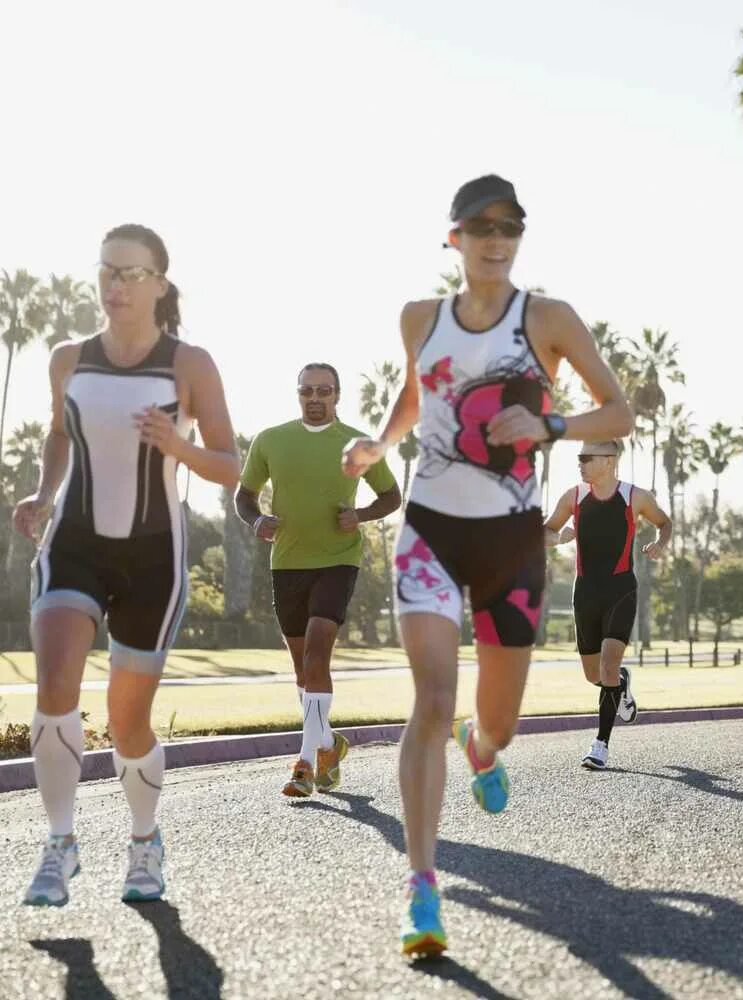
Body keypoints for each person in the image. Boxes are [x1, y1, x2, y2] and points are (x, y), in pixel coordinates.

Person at [342, 174, 631, 958]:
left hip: (512, 539)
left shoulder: (548, 318)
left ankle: (482, 745)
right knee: (431, 697)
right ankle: (423, 890)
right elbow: (414, 395)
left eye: (511, 226)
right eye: (481, 226)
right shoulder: (418, 318)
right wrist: (380, 443)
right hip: (430, 530)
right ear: (454, 238)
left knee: (494, 724)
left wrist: (549, 421)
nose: (497, 238)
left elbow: (620, 411)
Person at [17, 224, 239, 905]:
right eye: (107, 270)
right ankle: (61, 842)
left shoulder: (189, 364)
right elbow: (60, 434)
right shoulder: (67, 359)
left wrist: (178, 442)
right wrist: (44, 493)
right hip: (75, 543)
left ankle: (145, 840)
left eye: (132, 273)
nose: (116, 284)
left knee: (127, 717)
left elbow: (230, 467)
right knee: (54, 679)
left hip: (153, 558)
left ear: (159, 285)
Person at [236, 362, 401, 799]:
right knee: (300, 667)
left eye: (323, 391)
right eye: (306, 391)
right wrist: (256, 522)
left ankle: (305, 763)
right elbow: (244, 496)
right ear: (298, 394)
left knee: (316, 657)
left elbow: (391, 495)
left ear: (337, 395)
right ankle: (328, 744)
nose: (314, 398)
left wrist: (360, 515)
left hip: (338, 560)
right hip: (287, 562)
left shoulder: (356, 444)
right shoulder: (270, 440)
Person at [543, 439, 671, 770]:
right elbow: (546, 530)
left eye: (587, 457)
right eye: (579, 457)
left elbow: (664, 522)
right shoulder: (573, 495)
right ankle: (621, 687)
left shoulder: (634, 496)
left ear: (609, 461)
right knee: (594, 675)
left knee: (608, 666)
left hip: (620, 590)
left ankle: (600, 745)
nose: (580, 462)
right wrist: (558, 539)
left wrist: (660, 543)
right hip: (585, 592)